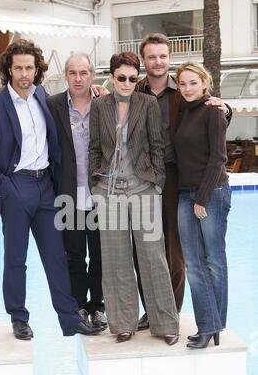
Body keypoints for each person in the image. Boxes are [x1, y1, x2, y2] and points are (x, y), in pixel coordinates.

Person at [0, 39, 101, 340]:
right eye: (18, 67)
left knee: (56, 255)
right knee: (16, 258)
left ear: (37, 69)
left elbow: (76, 98)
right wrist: (6, 188)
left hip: (46, 187)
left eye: (29, 67)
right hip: (16, 186)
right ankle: (18, 317)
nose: (24, 73)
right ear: (8, 69)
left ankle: (69, 319)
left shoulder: (43, 97)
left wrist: (99, 91)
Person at [135, 33, 232, 330]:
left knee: (177, 254)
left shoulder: (183, 90)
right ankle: (151, 310)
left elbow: (212, 117)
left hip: (178, 177)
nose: (158, 61)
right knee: (145, 250)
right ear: (143, 60)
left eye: (163, 56)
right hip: (143, 180)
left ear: (169, 58)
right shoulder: (133, 89)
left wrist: (226, 108)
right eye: (151, 56)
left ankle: (170, 313)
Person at [89, 51, 179, 344]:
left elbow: (157, 145)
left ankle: (165, 324)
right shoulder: (100, 106)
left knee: (153, 257)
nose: (127, 83)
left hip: (143, 188)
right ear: (112, 77)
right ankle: (122, 323)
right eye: (121, 77)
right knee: (116, 260)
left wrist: (156, 185)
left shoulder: (148, 103)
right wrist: (95, 184)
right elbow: (93, 148)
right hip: (109, 191)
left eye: (131, 77)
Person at [47, 53, 107, 330]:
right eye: (73, 73)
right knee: (73, 256)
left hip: (99, 194)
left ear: (92, 75)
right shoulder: (53, 105)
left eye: (84, 72)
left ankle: (99, 306)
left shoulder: (104, 103)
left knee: (99, 255)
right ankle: (80, 307)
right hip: (68, 194)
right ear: (66, 76)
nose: (78, 78)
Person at [174, 62, 231, 349]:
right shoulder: (184, 111)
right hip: (185, 193)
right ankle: (208, 325)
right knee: (194, 265)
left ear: (204, 83)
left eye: (192, 83)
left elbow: (218, 158)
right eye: (182, 83)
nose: (187, 88)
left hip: (211, 193)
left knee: (214, 262)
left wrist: (202, 197)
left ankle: (214, 326)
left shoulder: (213, 111)